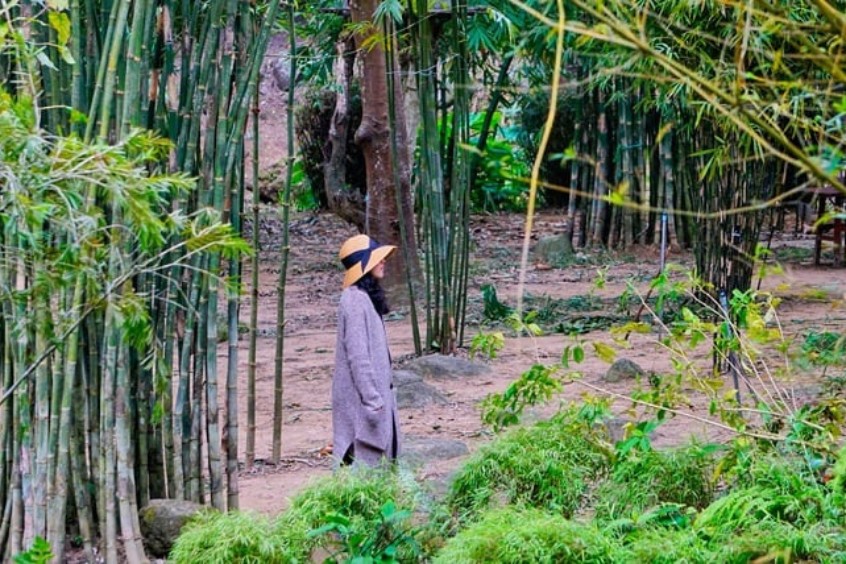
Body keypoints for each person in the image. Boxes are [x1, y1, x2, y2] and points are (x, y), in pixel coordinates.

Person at [332, 234, 401, 467]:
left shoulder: (365, 299)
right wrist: (373, 401)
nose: (383, 262)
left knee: (376, 472)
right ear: (364, 264)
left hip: (375, 400)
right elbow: (358, 357)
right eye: (376, 258)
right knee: (361, 472)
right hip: (363, 404)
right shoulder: (354, 300)